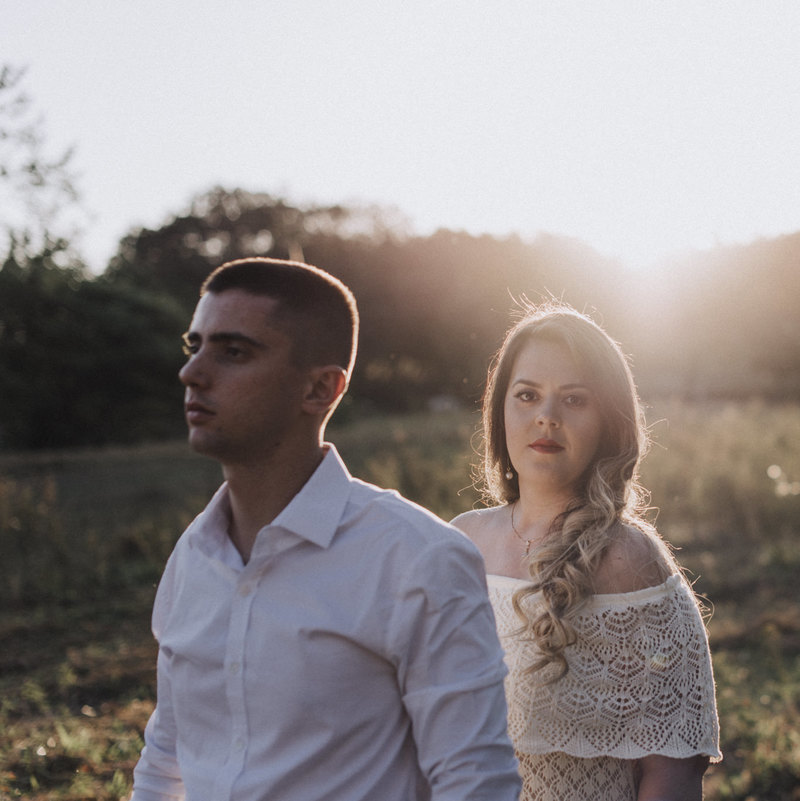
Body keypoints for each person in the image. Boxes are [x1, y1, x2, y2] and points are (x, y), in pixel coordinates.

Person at [131, 258, 521, 801]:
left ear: (321, 389)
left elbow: (475, 782)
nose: (192, 373)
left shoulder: (417, 560)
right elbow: (166, 760)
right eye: (193, 346)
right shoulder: (193, 557)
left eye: (234, 352)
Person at [451, 302, 721, 801]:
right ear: (500, 411)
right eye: (527, 395)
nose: (546, 418)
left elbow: (675, 769)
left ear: (608, 421)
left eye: (574, 400)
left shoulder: (629, 562)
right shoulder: (458, 544)